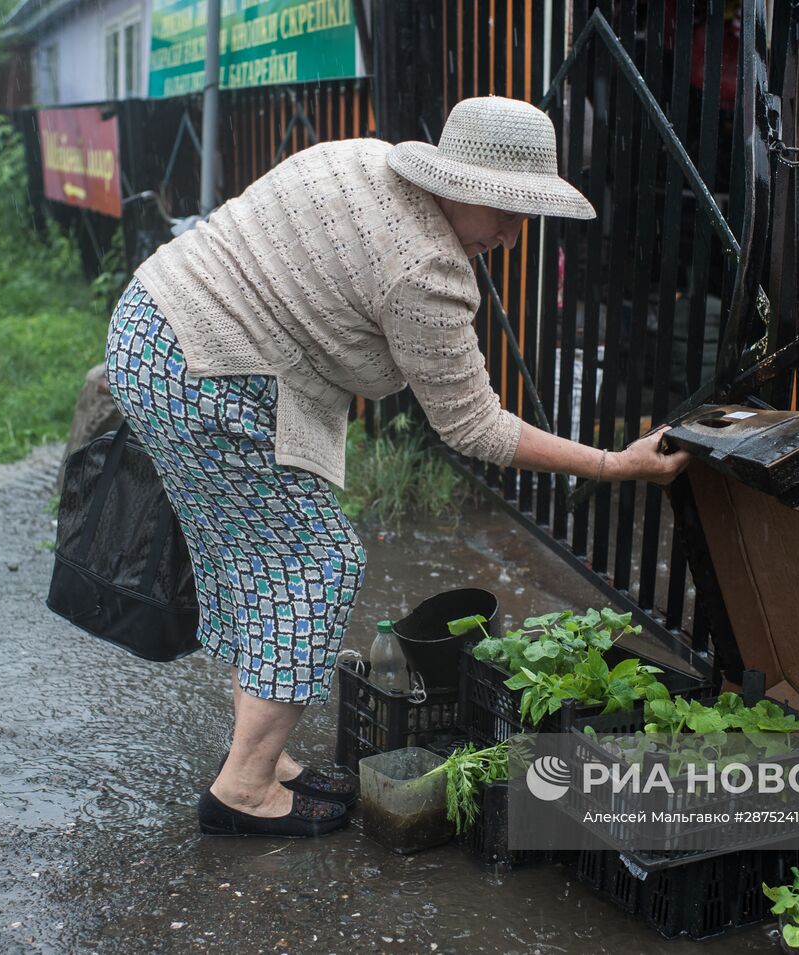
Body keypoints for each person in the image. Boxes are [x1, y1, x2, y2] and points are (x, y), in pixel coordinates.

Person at [104, 95, 690, 839]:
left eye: (526, 213)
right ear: (454, 181)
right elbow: (473, 425)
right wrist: (612, 463)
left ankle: (263, 757)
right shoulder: (427, 269)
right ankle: (243, 787)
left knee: (254, 557)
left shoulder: (364, 161)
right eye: (505, 209)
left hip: (151, 326)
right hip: (204, 370)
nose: (513, 235)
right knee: (314, 560)